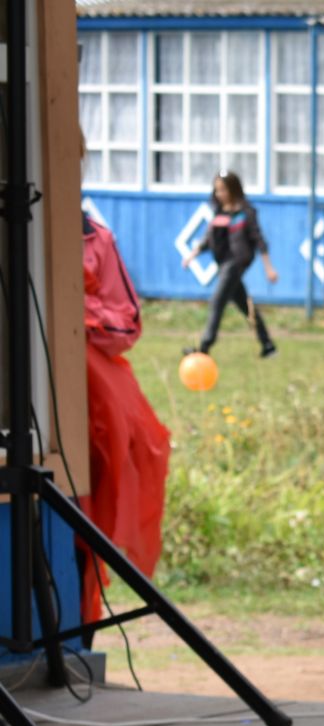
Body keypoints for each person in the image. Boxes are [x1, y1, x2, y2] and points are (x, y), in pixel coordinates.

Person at [78, 183, 171, 634]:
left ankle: (80, 640)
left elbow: (127, 320)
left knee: (90, 522)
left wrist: (77, 312)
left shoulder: (96, 238)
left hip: (98, 402)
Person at [180, 171, 278, 359]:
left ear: (233, 189)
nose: (219, 194)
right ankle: (268, 345)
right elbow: (208, 238)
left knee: (217, 301)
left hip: (237, 263)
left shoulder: (246, 213)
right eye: (217, 190)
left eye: (223, 189)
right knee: (245, 305)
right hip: (223, 263)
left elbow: (259, 241)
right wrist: (193, 254)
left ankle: (204, 347)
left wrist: (269, 268)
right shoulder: (219, 212)